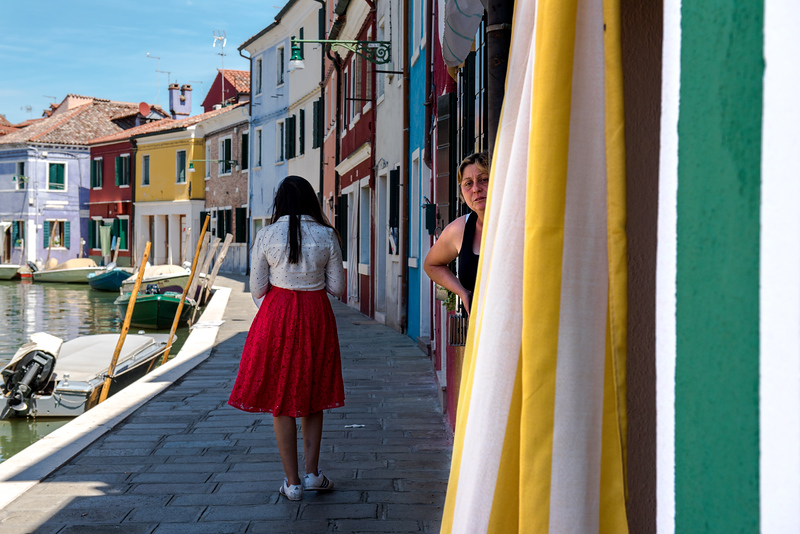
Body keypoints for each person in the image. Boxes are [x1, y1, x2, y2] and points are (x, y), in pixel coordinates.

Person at [228, 175, 345, 501]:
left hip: (276, 316)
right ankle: (312, 475)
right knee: (314, 394)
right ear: (311, 201)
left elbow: (257, 290)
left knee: (280, 398)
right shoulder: (327, 236)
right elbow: (337, 288)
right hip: (316, 315)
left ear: (280, 203)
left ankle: (291, 483)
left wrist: (279, 307)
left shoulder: (265, 235)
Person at [423, 152, 489, 314]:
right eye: (468, 183)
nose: (476, 189)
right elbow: (431, 265)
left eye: (484, 180)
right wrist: (462, 292)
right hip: (478, 330)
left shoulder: (519, 222)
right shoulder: (460, 229)